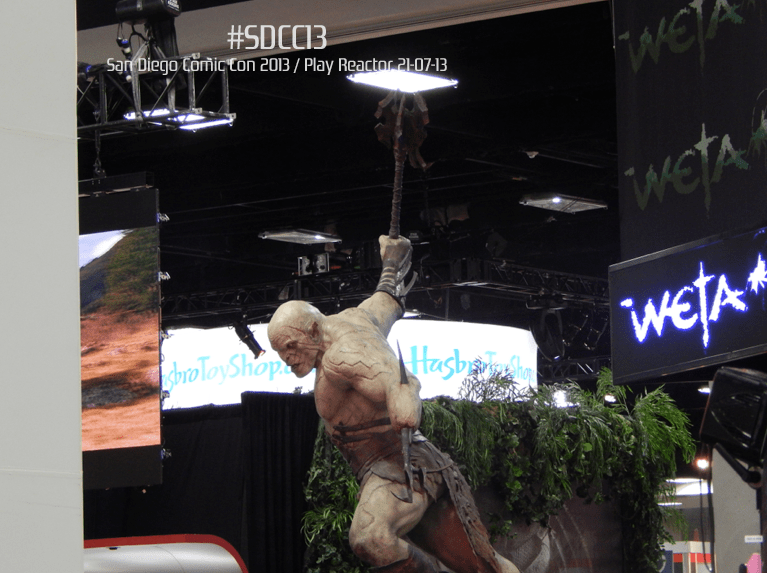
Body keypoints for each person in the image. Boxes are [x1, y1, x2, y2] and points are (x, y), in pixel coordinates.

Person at [268, 235, 520, 573]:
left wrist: (403, 399)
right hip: (404, 467)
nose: (286, 357)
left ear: (312, 330)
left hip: (398, 466)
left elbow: (394, 376)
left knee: (370, 537)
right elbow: (387, 298)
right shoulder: (356, 318)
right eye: (280, 351)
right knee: (485, 568)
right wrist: (392, 260)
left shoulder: (341, 356)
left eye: (290, 346)